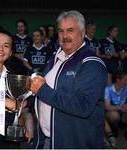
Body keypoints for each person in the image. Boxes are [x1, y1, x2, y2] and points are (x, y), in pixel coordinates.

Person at [29, 10, 107, 149]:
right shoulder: (56, 58)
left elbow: (83, 106)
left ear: (82, 33)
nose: (64, 36)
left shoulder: (92, 63)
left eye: (70, 30)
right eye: (61, 31)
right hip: (48, 141)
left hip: (75, 144)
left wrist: (42, 90)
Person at [105, 71, 127, 140]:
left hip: (123, 113)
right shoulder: (108, 89)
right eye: (126, 80)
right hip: (112, 112)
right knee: (114, 116)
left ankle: (124, 127)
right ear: (118, 80)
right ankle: (113, 127)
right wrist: (119, 107)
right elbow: (107, 106)